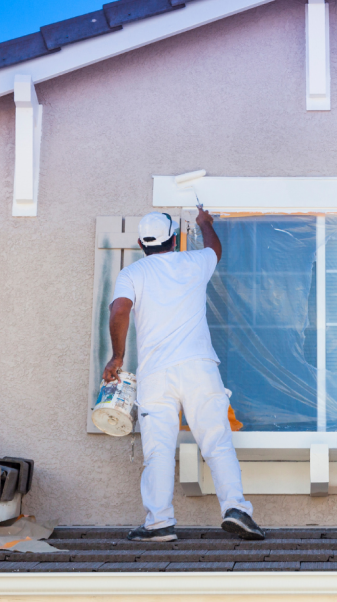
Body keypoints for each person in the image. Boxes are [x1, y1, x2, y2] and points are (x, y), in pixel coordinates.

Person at [103, 209, 264, 542]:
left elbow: (119, 310)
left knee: (158, 450)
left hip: (156, 375)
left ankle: (159, 523)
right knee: (217, 442)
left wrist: (117, 356)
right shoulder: (193, 263)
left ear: (139, 244)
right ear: (174, 239)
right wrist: (205, 224)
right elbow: (214, 249)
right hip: (199, 368)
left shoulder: (132, 273)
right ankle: (237, 510)